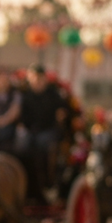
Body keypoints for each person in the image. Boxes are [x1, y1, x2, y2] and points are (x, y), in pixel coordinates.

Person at [17, 64, 67, 200]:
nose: (37, 81)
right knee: (22, 147)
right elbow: (21, 117)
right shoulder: (26, 95)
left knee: (44, 147)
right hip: (30, 130)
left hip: (48, 130)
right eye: (34, 78)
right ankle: (26, 181)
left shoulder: (53, 94)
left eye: (40, 78)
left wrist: (61, 117)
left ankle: (48, 183)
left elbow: (63, 110)